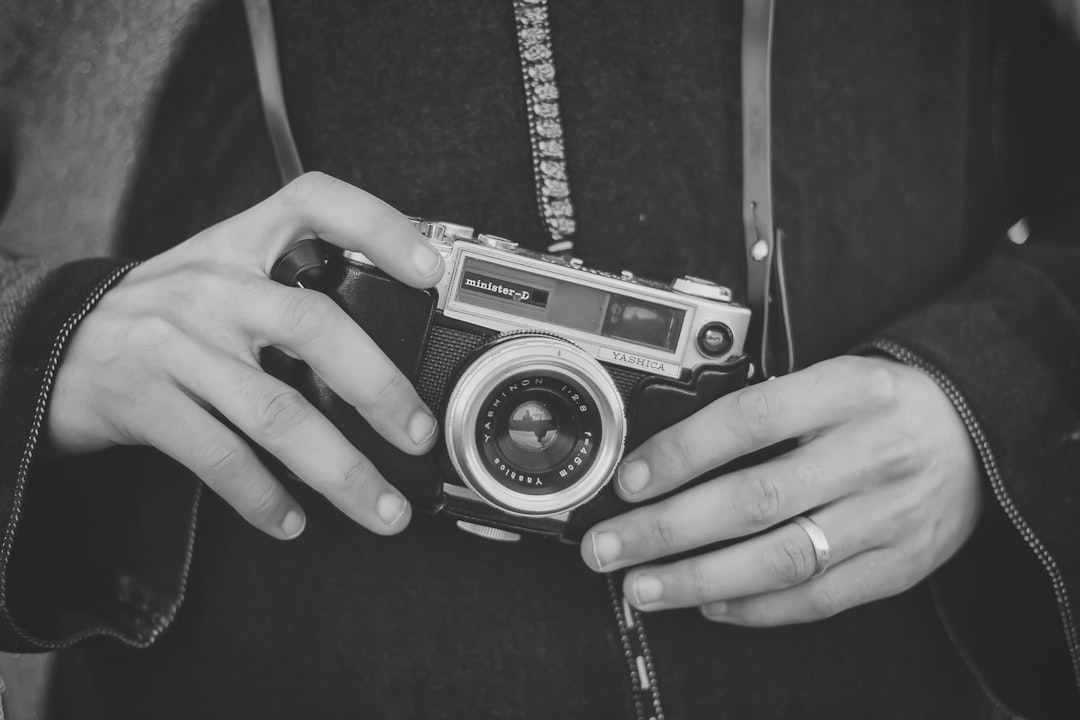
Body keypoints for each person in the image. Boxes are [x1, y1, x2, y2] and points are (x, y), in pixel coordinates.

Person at [1, 0, 1078, 717]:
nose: (537, 430)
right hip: (262, 654)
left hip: (876, 646)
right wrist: (53, 337)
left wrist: (985, 390)